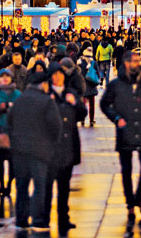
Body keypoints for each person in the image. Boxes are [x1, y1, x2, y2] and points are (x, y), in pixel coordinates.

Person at [100, 49, 141, 224]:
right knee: (126, 169)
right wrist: (116, 118)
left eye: (138, 60)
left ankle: (139, 197)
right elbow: (104, 104)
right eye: (133, 61)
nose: (136, 64)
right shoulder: (116, 84)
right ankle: (130, 204)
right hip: (125, 131)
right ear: (125, 63)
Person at [8, 68, 62, 232]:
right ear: (43, 84)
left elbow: (9, 122)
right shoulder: (47, 101)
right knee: (39, 186)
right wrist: (52, 144)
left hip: (19, 151)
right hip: (40, 151)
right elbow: (56, 126)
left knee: (21, 186)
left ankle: (21, 219)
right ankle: (37, 219)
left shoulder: (20, 100)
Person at [45, 63, 86, 235]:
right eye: (54, 74)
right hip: (49, 148)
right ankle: (44, 217)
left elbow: (82, 113)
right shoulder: (46, 94)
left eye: (60, 74)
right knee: (47, 186)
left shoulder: (71, 93)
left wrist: (75, 102)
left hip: (68, 147)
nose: (57, 77)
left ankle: (63, 218)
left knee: (64, 186)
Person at [0, 68, 21, 196]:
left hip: (13, 130)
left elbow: (20, 107)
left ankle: (9, 184)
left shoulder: (17, 93)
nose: (5, 78)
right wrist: (8, 105)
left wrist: (5, 105)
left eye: (7, 76)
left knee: (12, 160)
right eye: (2, 76)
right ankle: (1, 184)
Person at [78, 46, 99, 127]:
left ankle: (82, 119)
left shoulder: (80, 62)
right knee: (92, 104)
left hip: (83, 85)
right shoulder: (94, 62)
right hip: (92, 85)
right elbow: (97, 74)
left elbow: (78, 73)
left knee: (83, 103)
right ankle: (91, 120)